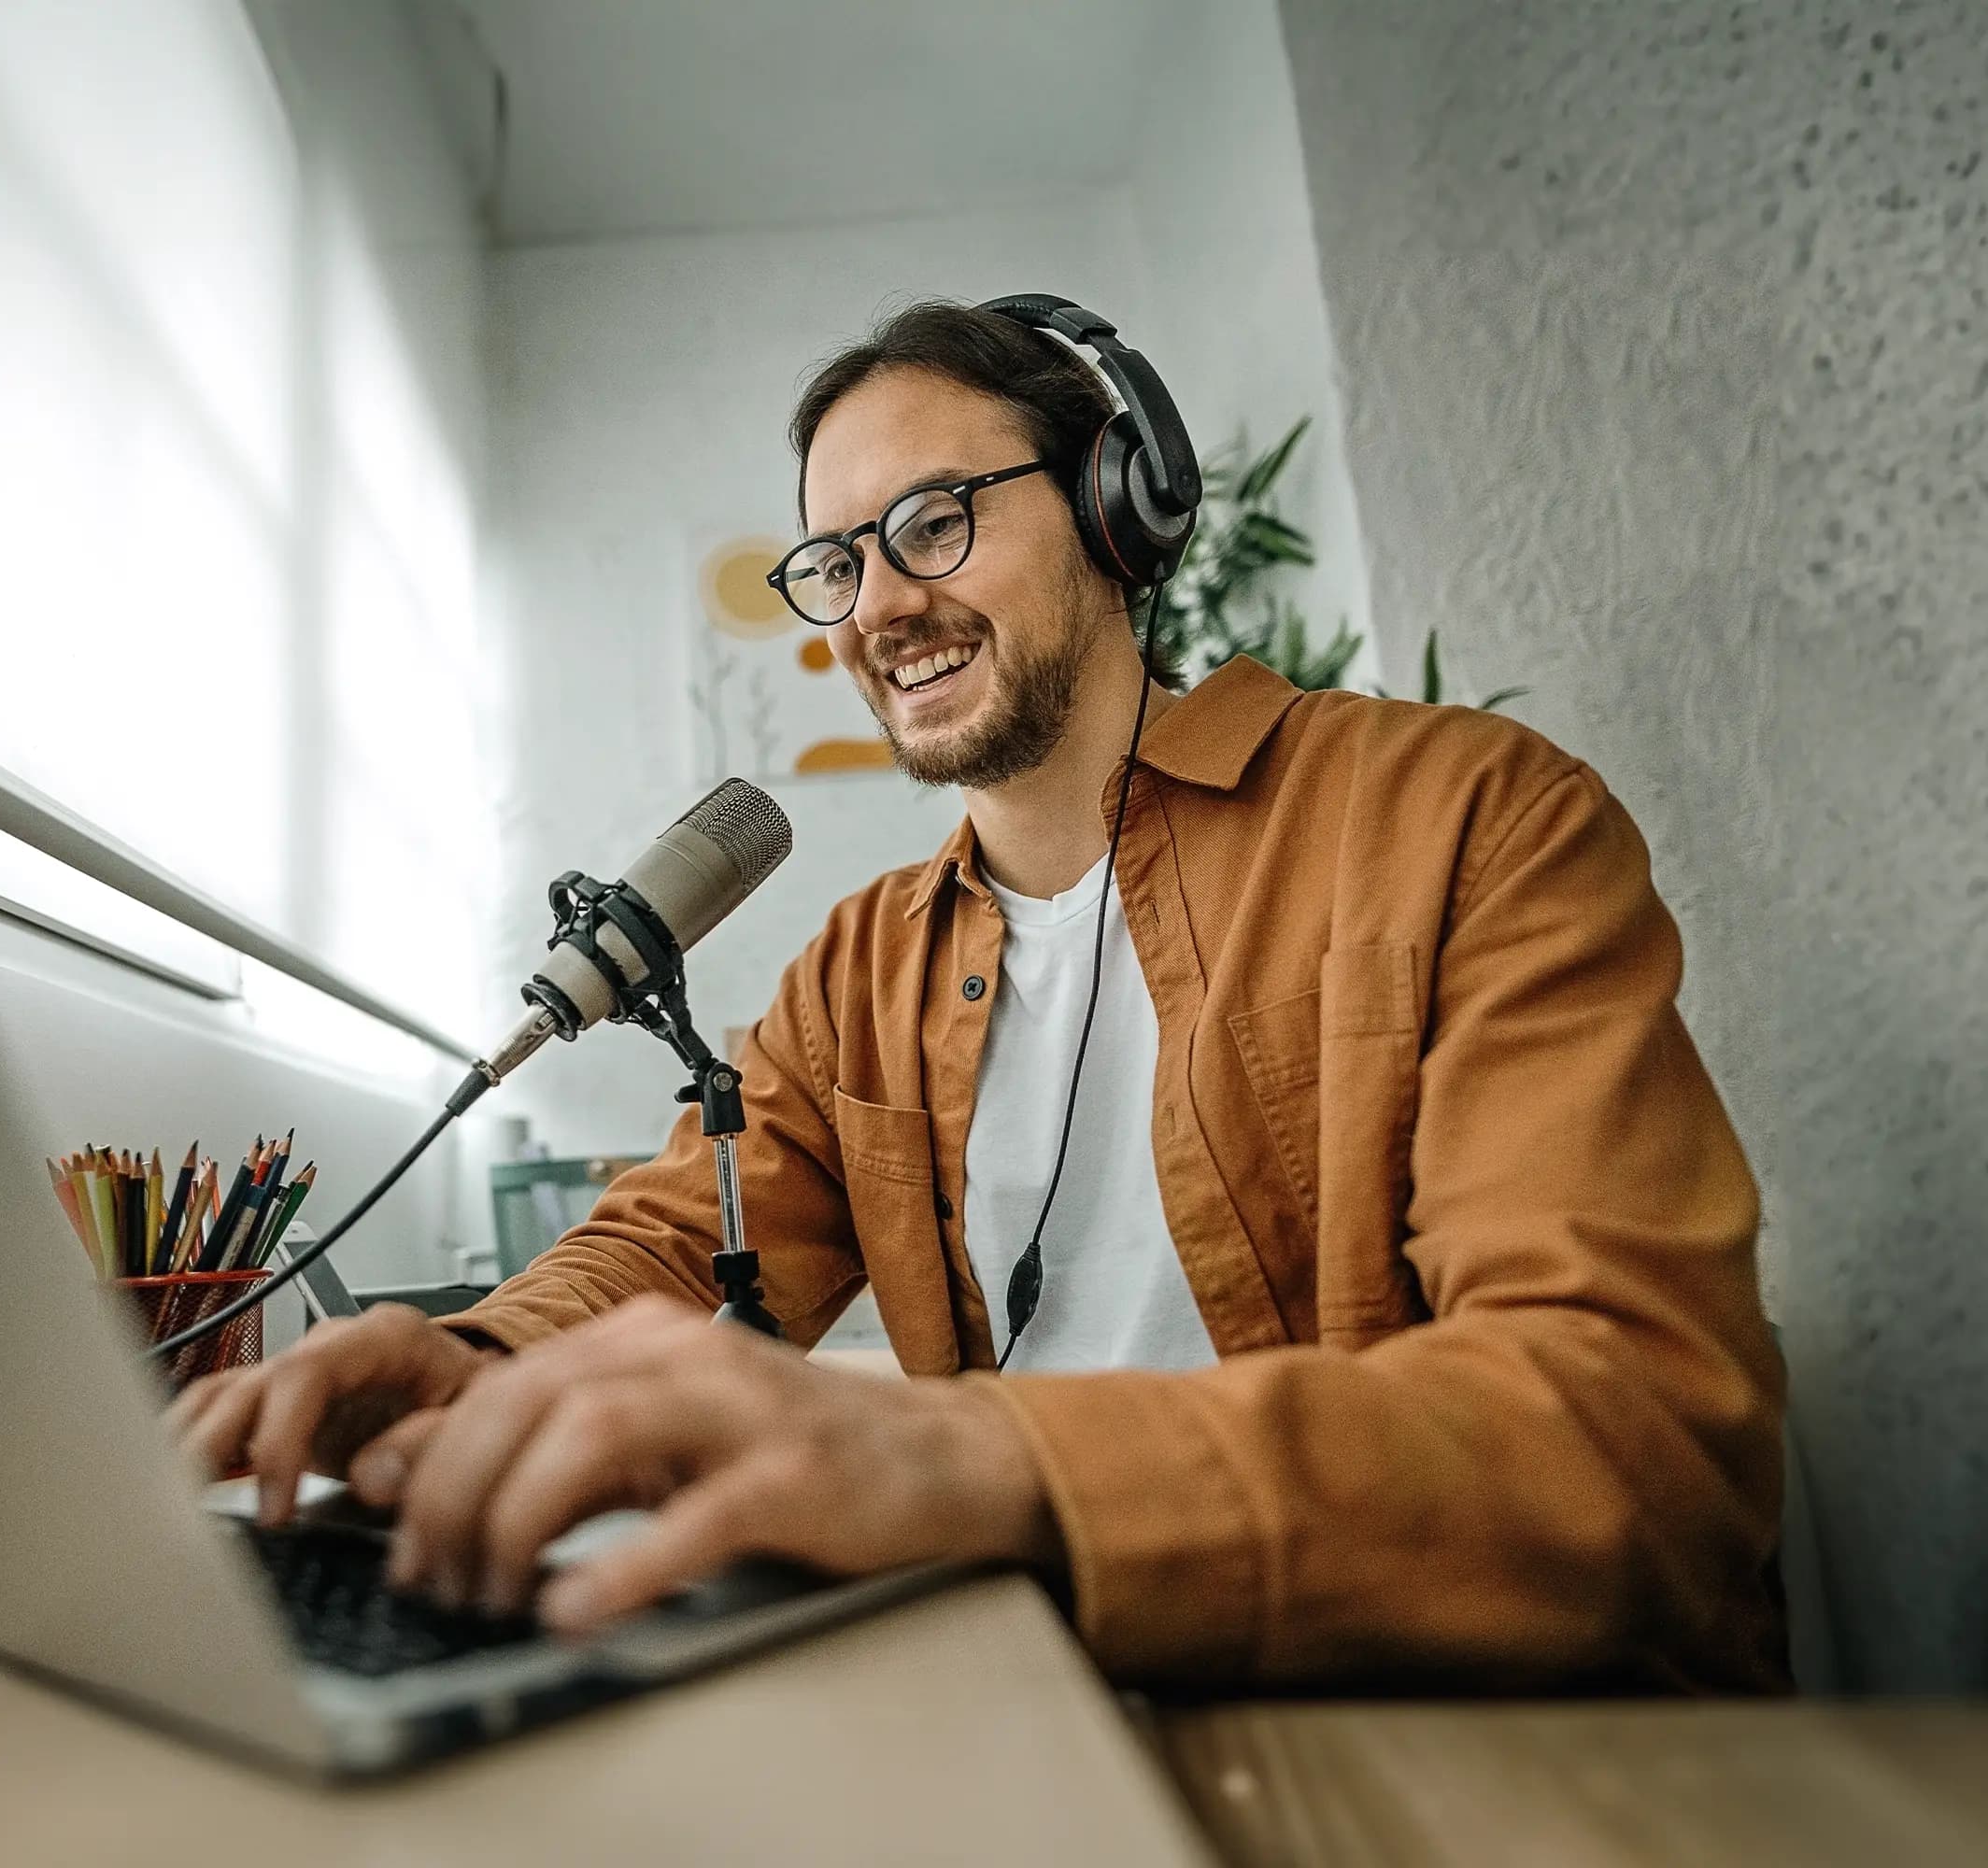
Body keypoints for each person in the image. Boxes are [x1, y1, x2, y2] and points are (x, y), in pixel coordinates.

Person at [171, 298, 1788, 1692]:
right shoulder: (859, 968)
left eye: (935, 521)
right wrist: (482, 1357)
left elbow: (1634, 1430)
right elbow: (669, 1240)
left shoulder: (1463, 815)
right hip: (1043, 1692)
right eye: (833, 561)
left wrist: (966, 1460)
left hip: (1425, 1718)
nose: (877, 605)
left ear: (1114, 507)